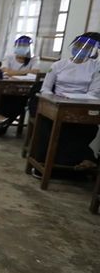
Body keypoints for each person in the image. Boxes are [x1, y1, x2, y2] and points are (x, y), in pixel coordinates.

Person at [29, 35, 100, 176]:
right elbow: (45, 89)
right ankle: (44, 164)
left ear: (93, 51)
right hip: (56, 105)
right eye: (78, 45)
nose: (81, 49)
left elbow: (94, 93)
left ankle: (67, 166)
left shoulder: (95, 68)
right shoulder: (58, 65)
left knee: (86, 130)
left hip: (81, 107)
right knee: (50, 126)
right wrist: (54, 99)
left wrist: (75, 99)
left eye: (86, 48)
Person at [0, 36, 42, 135]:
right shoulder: (9, 57)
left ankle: (1, 123)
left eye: (25, 46)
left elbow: (36, 72)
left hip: (24, 92)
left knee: (20, 102)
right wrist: (26, 72)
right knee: (1, 98)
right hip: (6, 89)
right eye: (20, 45)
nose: (22, 48)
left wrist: (13, 73)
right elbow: (5, 71)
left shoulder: (34, 59)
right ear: (15, 46)